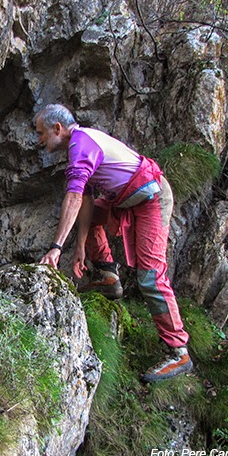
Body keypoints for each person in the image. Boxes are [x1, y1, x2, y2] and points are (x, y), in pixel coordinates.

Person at [34, 103, 192, 383]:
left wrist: (57, 248)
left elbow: (72, 198)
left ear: (58, 129)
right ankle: (108, 276)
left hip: (152, 197)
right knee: (94, 214)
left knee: (150, 277)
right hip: (128, 196)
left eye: (41, 133)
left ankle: (179, 351)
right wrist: (80, 246)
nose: (40, 140)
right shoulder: (82, 144)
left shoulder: (81, 146)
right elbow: (85, 203)